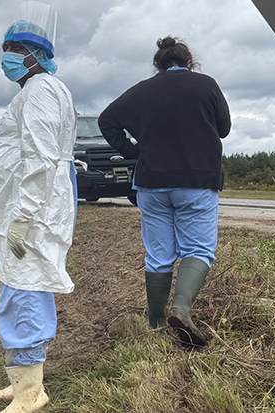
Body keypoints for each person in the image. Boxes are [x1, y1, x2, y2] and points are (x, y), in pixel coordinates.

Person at [0, 2, 76, 411]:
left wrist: (23, 216)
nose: (8, 55)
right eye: (7, 47)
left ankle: (31, 394)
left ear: (37, 55)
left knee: (24, 291)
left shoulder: (41, 90)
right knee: (20, 288)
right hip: (27, 207)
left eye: (18, 47)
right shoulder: (39, 90)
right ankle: (24, 381)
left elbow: (40, 158)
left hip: (32, 211)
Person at [98, 36, 231, 347]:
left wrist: (131, 150)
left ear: (158, 66)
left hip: (151, 182)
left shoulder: (141, 90)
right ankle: (181, 309)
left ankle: (157, 323)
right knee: (197, 250)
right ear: (189, 63)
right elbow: (223, 128)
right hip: (197, 179)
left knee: (159, 256)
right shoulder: (206, 85)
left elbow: (107, 120)